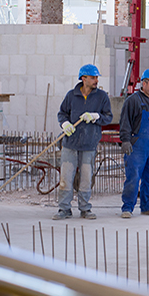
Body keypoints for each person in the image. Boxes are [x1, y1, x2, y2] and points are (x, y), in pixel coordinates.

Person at [53, 64, 113, 220]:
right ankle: (64, 209)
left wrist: (95, 116)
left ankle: (85, 208)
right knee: (66, 177)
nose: (96, 80)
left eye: (96, 77)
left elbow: (108, 117)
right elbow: (62, 113)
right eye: (93, 77)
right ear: (83, 78)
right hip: (70, 143)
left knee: (86, 177)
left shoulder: (101, 97)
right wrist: (65, 124)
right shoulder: (71, 96)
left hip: (89, 144)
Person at [120, 68, 149, 218]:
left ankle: (147, 206)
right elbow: (125, 123)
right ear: (144, 83)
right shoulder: (132, 101)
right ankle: (127, 207)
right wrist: (126, 141)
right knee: (133, 176)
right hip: (137, 147)